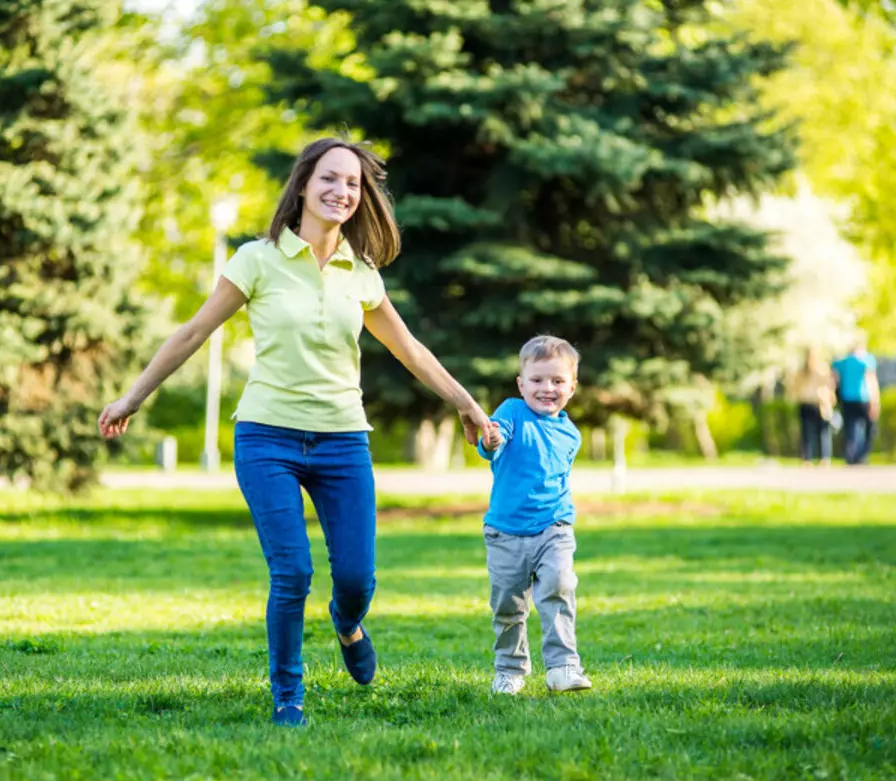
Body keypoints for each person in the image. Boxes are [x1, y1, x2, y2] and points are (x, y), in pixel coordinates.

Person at [98, 138, 490, 727]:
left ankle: (347, 622)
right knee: (293, 572)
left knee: (357, 578)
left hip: (342, 441)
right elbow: (193, 332)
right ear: (304, 185)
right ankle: (289, 697)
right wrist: (133, 395)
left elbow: (410, 350)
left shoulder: (361, 274)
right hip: (267, 439)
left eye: (354, 184)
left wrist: (465, 403)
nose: (342, 192)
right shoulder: (257, 260)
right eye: (330, 179)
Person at [476, 335, 592, 696]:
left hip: (554, 528)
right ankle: (510, 669)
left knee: (559, 587)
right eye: (538, 380)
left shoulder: (570, 433)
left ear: (571, 388)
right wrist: (491, 440)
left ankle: (562, 667)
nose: (547, 388)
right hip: (505, 533)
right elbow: (493, 440)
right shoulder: (511, 412)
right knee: (508, 605)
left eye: (558, 381)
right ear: (521, 384)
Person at [832, 337, 881, 465]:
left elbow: (834, 375)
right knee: (869, 427)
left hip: (847, 398)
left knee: (850, 427)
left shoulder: (843, 362)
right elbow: (871, 381)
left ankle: (850, 455)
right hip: (864, 397)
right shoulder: (867, 360)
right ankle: (862, 454)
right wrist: (875, 401)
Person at [790, 346, 836, 467]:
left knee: (811, 433)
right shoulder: (819, 370)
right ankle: (821, 458)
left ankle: (811, 458)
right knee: (820, 432)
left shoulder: (806, 371)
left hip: (813, 402)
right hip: (815, 402)